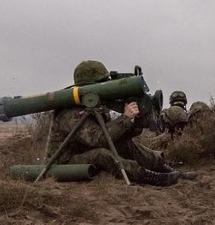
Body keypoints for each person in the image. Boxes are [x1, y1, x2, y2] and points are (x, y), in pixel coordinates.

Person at [44, 60, 196, 186]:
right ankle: (148, 176)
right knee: (101, 155)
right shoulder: (70, 112)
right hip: (64, 162)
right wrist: (125, 118)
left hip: (84, 151)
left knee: (125, 143)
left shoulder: (94, 106)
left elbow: (113, 135)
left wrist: (135, 122)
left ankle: (164, 169)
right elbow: (100, 139)